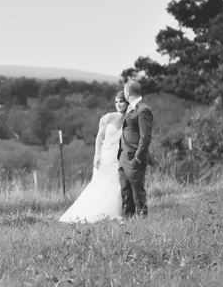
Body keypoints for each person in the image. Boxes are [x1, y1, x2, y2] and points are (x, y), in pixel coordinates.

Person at [59, 91, 129, 224]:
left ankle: (114, 213)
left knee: (116, 184)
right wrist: (96, 156)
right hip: (105, 154)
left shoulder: (128, 119)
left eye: (121, 101)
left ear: (127, 103)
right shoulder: (108, 117)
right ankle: (92, 212)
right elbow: (99, 137)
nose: (118, 104)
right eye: (116, 102)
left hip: (118, 156)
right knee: (100, 183)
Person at [118, 80, 153, 218]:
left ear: (127, 92)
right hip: (123, 157)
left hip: (134, 158)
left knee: (137, 192)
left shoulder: (143, 109)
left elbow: (145, 137)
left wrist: (138, 157)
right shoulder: (131, 107)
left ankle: (143, 220)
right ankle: (128, 220)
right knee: (125, 191)